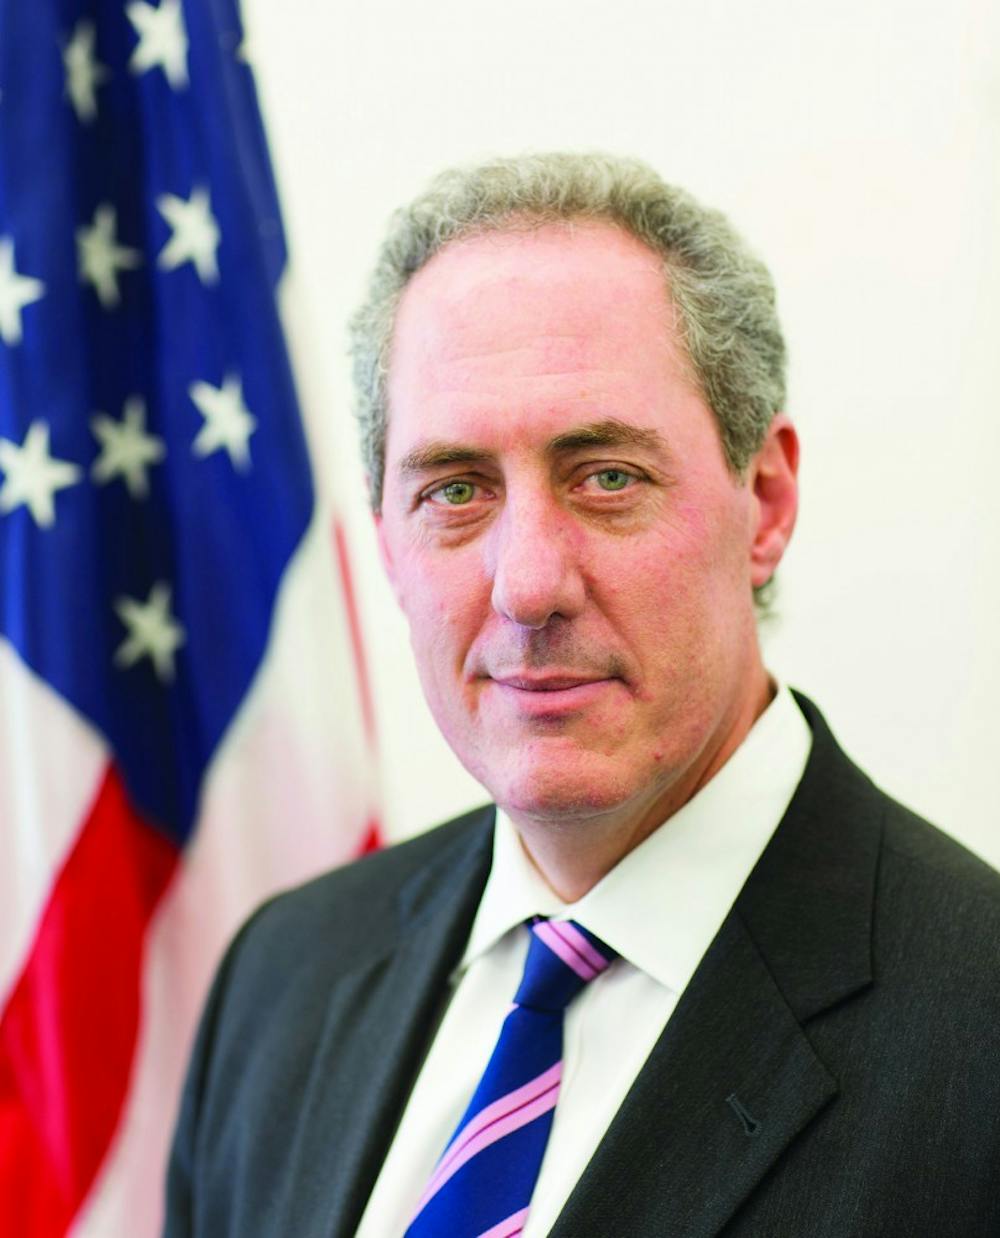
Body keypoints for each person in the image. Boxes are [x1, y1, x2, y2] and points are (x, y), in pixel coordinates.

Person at [164, 153, 1000, 1237]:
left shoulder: (974, 1031)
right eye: (455, 491)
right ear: (385, 539)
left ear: (766, 499)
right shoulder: (282, 981)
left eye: (606, 475)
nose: (526, 584)